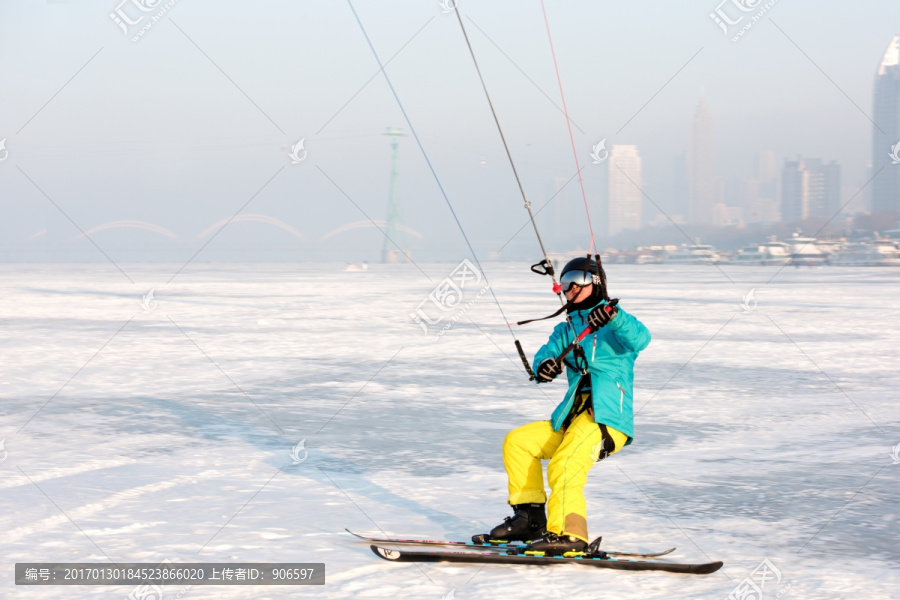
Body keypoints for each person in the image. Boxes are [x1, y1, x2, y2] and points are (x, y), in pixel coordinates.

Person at [479, 256, 651, 555]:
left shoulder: (614, 325)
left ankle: (570, 534)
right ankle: (530, 519)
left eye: (577, 280)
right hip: (572, 418)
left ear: (595, 283)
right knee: (519, 442)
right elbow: (546, 354)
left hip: (607, 419)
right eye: (566, 280)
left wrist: (613, 316)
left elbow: (641, 339)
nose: (570, 287)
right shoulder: (567, 329)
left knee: (566, 464)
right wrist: (544, 365)